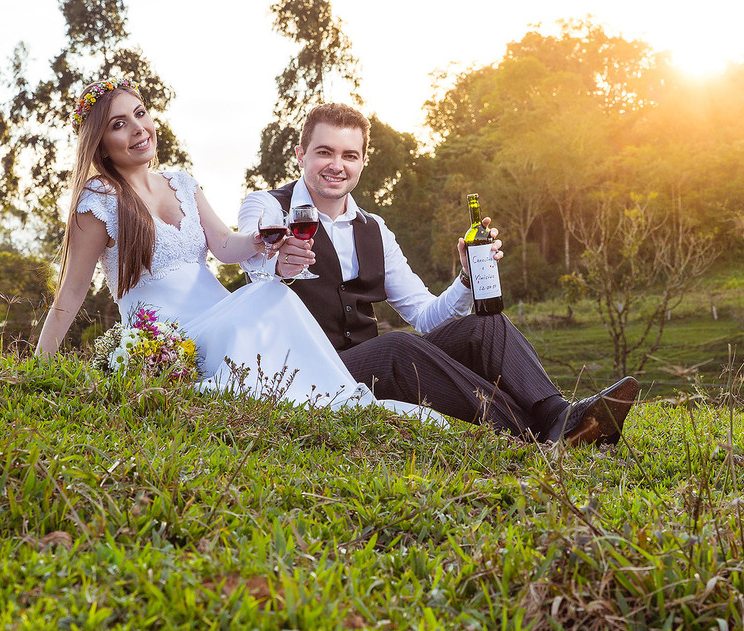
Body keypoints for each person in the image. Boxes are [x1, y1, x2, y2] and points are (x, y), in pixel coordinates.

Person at [34, 78, 442, 423]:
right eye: (118, 125)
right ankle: (325, 399)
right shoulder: (98, 201)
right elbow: (72, 290)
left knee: (271, 292)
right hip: (168, 336)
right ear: (101, 144)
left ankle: (335, 396)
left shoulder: (181, 182)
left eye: (140, 114)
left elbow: (227, 245)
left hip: (218, 315)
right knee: (268, 295)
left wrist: (262, 240)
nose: (138, 129)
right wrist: (41, 370)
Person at [238, 103, 639, 445]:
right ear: (300, 154)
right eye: (324, 152)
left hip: (366, 362)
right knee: (397, 346)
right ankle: (540, 433)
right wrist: (276, 262)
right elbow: (250, 253)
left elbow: (426, 315)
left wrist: (466, 278)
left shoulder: (374, 228)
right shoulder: (269, 206)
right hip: (306, 369)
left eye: (349, 155)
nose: (336, 166)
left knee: (487, 322)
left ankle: (558, 411)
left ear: (363, 161)